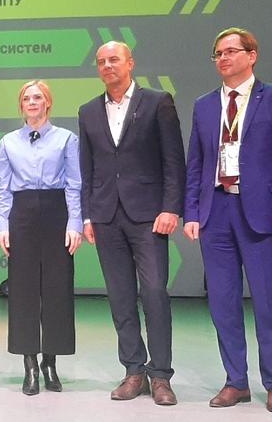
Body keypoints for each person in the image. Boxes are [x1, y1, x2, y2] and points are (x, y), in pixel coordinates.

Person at [183, 28, 272, 414]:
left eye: (231, 51)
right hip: (215, 212)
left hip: (262, 215)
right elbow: (196, 163)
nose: (223, 58)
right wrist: (192, 211)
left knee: (269, 302)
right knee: (223, 303)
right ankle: (235, 381)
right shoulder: (205, 105)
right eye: (217, 53)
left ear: (252, 55)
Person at [78, 41, 185, 406]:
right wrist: (88, 215)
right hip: (106, 216)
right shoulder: (88, 111)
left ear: (130, 63)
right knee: (120, 297)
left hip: (149, 215)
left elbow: (173, 160)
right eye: (101, 61)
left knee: (154, 292)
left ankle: (161, 375)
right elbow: (87, 167)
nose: (107, 66)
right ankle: (133, 370)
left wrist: (171, 207)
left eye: (114, 60)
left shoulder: (157, 102)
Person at [0, 80, 82, 395]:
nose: (32, 102)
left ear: (48, 102)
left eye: (38, 97)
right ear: (21, 105)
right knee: (23, 291)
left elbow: (74, 183)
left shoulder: (66, 139)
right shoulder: (8, 142)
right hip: (22, 215)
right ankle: (30, 364)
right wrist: (2, 225)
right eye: (27, 98)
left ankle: (51, 362)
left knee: (57, 289)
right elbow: (4, 188)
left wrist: (74, 222)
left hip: (56, 211)